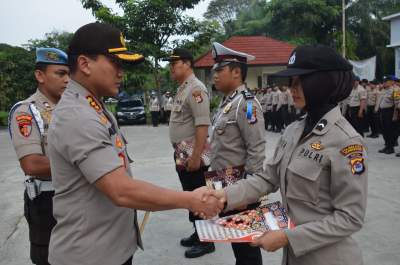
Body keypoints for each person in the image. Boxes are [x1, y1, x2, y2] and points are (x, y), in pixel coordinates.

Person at [47, 23, 223, 265]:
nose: (121, 73)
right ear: (85, 64)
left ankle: (204, 237)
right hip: (90, 253)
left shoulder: (92, 105)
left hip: (106, 245)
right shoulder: (78, 115)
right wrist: (190, 200)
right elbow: (120, 190)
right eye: (115, 63)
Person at [206, 45, 368, 265]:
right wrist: (225, 195)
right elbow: (268, 178)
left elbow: (350, 218)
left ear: (323, 82)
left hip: (328, 257)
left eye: (301, 81)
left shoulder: (346, 141)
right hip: (294, 256)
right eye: (292, 82)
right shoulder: (294, 130)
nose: (293, 88)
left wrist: (286, 237)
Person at [8, 48, 69, 265]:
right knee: (49, 258)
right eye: (60, 74)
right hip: (47, 200)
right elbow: (31, 164)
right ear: (40, 75)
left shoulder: (72, 109)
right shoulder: (27, 111)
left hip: (76, 194)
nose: (67, 80)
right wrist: (85, 165)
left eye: (69, 74)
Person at [210, 42, 264, 265]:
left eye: (219, 70)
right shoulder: (228, 102)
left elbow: (257, 148)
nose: (214, 75)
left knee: (247, 247)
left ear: (236, 72)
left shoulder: (247, 103)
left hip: (240, 184)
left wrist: (249, 192)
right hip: (224, 181)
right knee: (237, 241)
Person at [162, 48, 215, 258]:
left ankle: (207, 240)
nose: (171, 68)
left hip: (192, 153)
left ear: (186, 64)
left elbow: (202, 126)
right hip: (182, 151)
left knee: (199, 196)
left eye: (174, 64)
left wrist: (195, 157)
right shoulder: (183, 88)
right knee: (190, 193)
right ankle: (198, 232)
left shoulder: (196, 89)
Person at [377, 76, 398, 154]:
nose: (384, 83)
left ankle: (391, 148)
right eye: (384, 82)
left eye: (386, 81)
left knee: (390, 130)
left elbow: (396, 103)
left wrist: (395, 115)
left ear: (391, 82)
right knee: (384, 130)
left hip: (390, 112)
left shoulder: (396, 90)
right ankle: (387, 146)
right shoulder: (385, 90)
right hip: (383, 112)